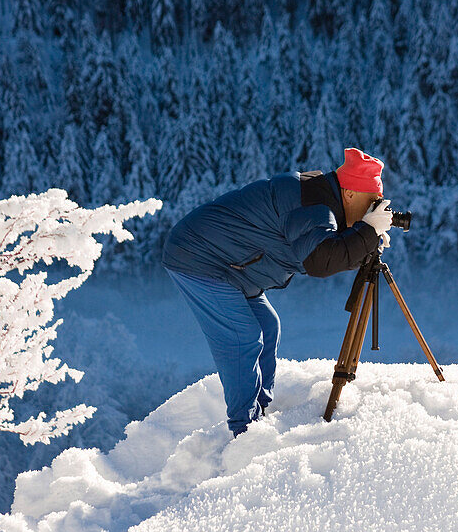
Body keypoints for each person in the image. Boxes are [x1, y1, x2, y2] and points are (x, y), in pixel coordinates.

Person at [162, 147, 394, 437]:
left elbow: (328, 249)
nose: (374, 208)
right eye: (372, 201)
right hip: (198, 257)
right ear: (349, 194)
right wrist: (366, 233)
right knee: (242, 336)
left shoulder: (320, 197)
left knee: (267, 326)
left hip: (232, 264)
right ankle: (244, 431)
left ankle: (260, 413)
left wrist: (366, 240)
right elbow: (320, 260)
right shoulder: (314, 205)